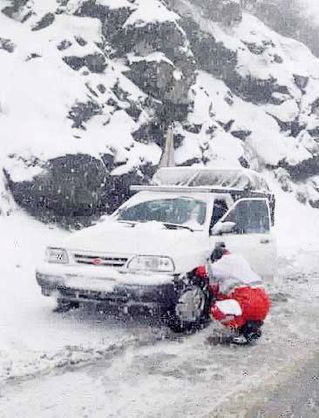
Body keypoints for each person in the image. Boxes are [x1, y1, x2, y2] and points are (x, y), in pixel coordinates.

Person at [207, 243, 271, 344]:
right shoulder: (241, 261)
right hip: (264, 302)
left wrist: (193, 271)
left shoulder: (225, 261)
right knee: (236, 305)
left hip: (248, 301)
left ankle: (237, 329)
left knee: (215, 309)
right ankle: (250, 327)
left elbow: (206, 271)